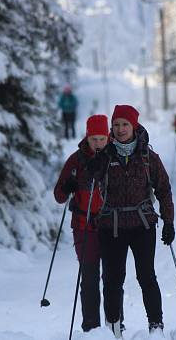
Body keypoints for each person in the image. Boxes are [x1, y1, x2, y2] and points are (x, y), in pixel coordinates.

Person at [88, 104, 175, 337]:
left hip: (142, 225)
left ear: (134, 125)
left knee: (147, 276)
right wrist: (91, 166)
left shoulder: (148, 157)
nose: (120, 129)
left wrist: (168, 222)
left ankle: (156, 327)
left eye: (125, 124)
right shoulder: (104, 156)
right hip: (111, 226)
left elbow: (164, 189)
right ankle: (114, 328)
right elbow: (86, 178)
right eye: (116, 125)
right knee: (112, 281)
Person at [53, 115, 124, 333]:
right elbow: (59, 195)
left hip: (112, 226)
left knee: (112, 280)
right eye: (94, 139)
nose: (99, 143)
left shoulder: (117, 157)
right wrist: (68, 186)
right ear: (87, 137)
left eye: (102, 138)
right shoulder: (76, 161)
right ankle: (91, 330)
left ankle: (115, 327)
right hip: (84, 227)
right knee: (90, 279)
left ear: (108, 137)